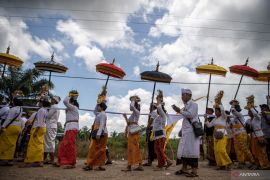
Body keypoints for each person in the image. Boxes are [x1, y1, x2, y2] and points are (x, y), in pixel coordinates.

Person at [173, 89, 200, 177]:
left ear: (189, 95)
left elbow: (191, 115)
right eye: (182, 95)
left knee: (192, 151)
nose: (182, 97)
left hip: (191, 132)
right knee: (184, 151)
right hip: (186, 131)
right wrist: (181, 130)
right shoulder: (185, 106)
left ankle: (194, 172)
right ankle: (184, 169)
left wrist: (179, 110)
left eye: (183, 95)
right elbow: (185, 119)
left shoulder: (194, 104)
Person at [21, 97, 50, 167]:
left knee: (32, 145)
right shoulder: (46, 110)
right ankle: (39, 161)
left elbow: (39, 122)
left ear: (42, 103)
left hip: (38, 128)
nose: (38, 103)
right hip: (43, 128)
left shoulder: (41, 110)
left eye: (39, 102)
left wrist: (36, 131)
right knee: (39, 145)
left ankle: (29, 162)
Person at [54, 90, 79, 169]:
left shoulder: (73, 107)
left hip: (72, 127)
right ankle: (62, 161)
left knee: (70, 145)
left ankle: (72, 163)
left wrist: (70, 95)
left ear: (71, 102)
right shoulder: (70, 109)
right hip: (69, 127)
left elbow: (65, 101)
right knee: (64, 145)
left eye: (70, 102)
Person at [229, 100, 255, 169]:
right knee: (237, 149)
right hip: (236, 135)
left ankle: (253, 162)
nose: (235, 110)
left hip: (241, 134)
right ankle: (241, 162)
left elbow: (233, 111)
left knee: (244, 148)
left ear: (238, 110)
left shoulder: (240, 115)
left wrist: (232, 105)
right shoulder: (233, 118)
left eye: (236, 108)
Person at [205, 104, 232, 170]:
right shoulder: (214, 119)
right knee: (216, 151)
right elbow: (209, 125)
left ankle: (228, 163)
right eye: (215, 111)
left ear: (220, 112)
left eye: (217, 111)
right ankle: (221, 165)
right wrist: (206, 119)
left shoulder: (223, 117)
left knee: (221, 150)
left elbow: (222, 110)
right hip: (216, 136)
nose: (216, 112)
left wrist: (219, 104)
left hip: (223, 135)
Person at [83, 102, 108, 171]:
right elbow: (94, 111)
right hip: (99, 133)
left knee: (99, 149)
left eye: (98, 106)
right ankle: (97, 165)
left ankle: (92, 165)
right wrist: (98, 102)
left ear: (102, 107)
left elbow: (102, 124)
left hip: (101, 133)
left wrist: (99, 133)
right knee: (97, 149)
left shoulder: (102, 114)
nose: (97, 108)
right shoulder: (99, 114)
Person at [122, 95, 143, 171]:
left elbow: (131, 107)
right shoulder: (133, 114)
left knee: (133, 149)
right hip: (132, 132)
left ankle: (129, 166)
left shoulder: (137, 112)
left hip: (134, 132)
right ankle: (138, 165)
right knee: (134, 148)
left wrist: (133, 100)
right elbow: (128, 123)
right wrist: (125, 117)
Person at [0, 97, 23, 166]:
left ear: (14, 102)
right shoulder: (21, 109)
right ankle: (10, 160)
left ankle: (4, 159)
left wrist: (3, 126)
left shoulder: (13, 109)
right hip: (18, 127)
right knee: (12, 144)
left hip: (11, 127)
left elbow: (9, 119)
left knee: (4, 142)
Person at [152, 94, 172, 171]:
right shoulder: (158, 116)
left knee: (160, 149)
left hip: (161, 135)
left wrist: (158, 101)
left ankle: (167, 161)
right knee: (157, 149)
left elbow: (159, 107)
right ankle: (161, 164)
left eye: (157, 109)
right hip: (157, 135)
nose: (157, 110)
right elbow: (154, 127)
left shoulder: (163, 115)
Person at [44, 96, 61, 164]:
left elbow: (48, 116)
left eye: (52, 99)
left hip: (50, 125)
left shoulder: (54, 106)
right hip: (53, 125)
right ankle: (47, 159)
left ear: (55, 100)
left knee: (48, 141)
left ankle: (51, 159)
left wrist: (45, 110)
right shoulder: (57, 107)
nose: (51, 100)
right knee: (50, 141)